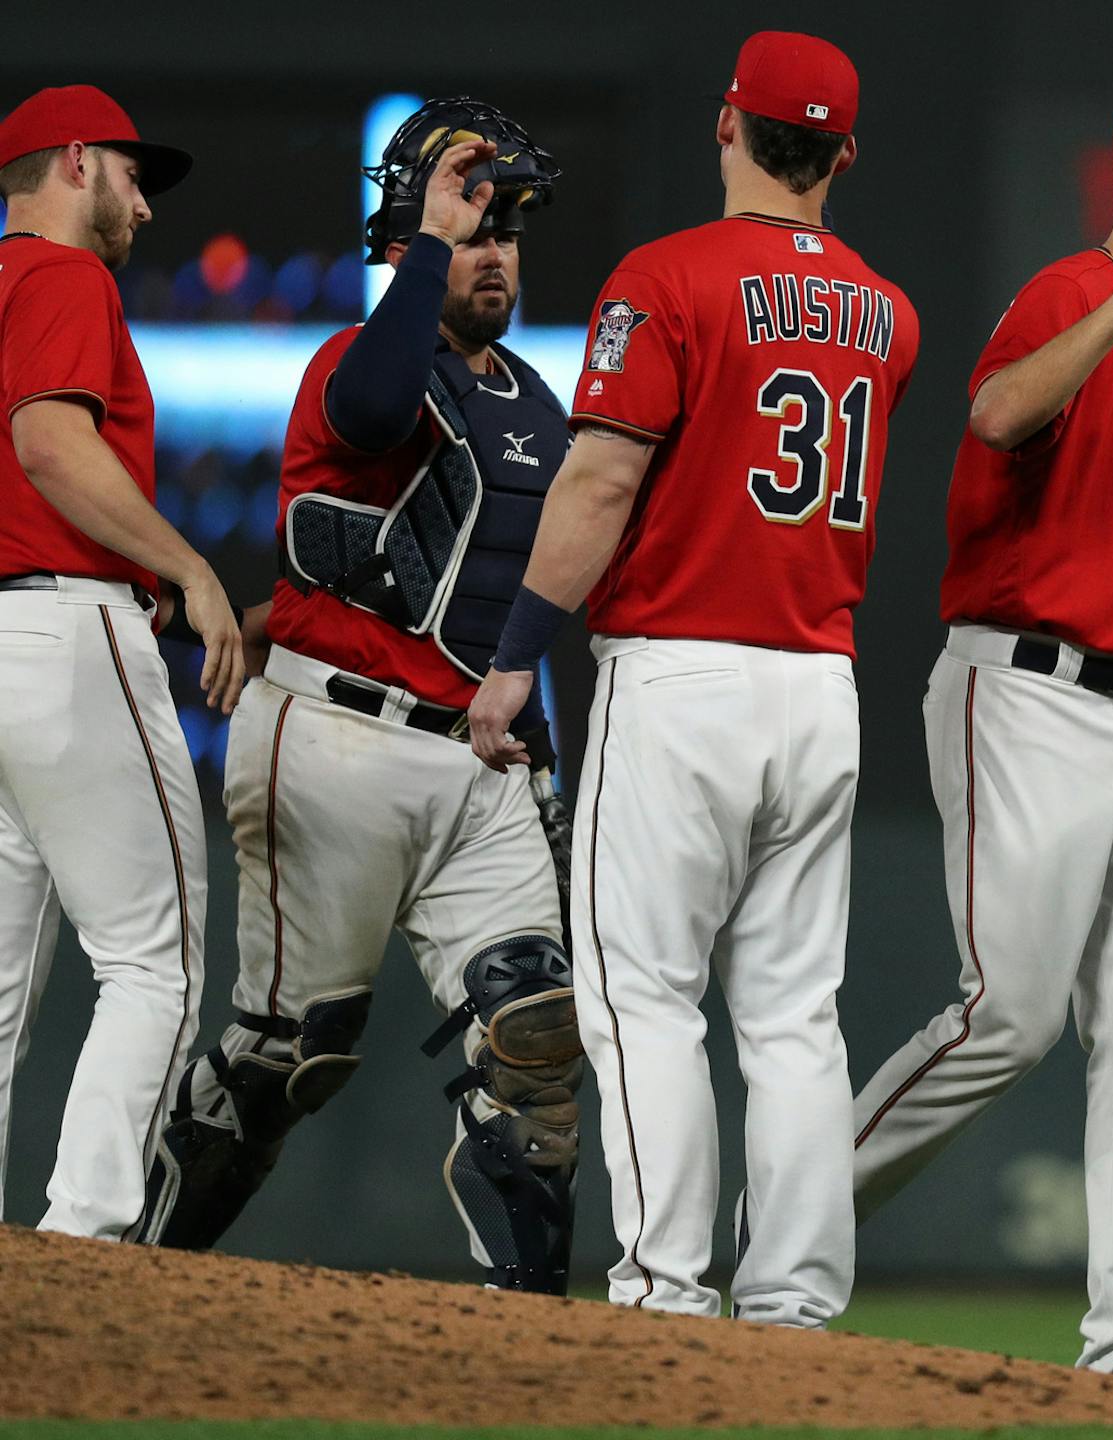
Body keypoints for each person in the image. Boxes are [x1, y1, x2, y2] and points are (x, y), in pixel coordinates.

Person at [468, 30, 918, 1328]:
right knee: (791, 1018)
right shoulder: (888, 311)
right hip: (819, 688)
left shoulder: (664, 280)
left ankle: (667, 1293)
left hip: (682, 679)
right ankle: (793, 1303)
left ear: (729, 125)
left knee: (642, 1000)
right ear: (841, 152)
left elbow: (602, 480)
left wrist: (511, 659)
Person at [845, 78, 1113, 1396]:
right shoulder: (1061, 296)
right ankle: (790, 1226)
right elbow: (993, 416)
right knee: (1011, 1016)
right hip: (1022, 688)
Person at [141, 99, 585, 1294]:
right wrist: (426, 244)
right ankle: (136, 1272)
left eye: (509, 227)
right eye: (474, 221)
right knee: (295, 1056)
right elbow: (379, 415)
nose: (495, 248)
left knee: (537, 1041)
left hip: (479, 766)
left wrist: (542, 765)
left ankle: (539, 1339)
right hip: (333, 733)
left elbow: (511, 612)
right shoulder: (359, 357)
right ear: (413, 227)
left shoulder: (538, 402)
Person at [0, 84, 239, 1238]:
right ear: (78, 162)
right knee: (158, 966)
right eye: (133, 176)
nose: (145, 205)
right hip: (61, 630)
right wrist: (187, 568)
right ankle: (82, 1254)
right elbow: (49, 440)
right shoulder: (60, 275)